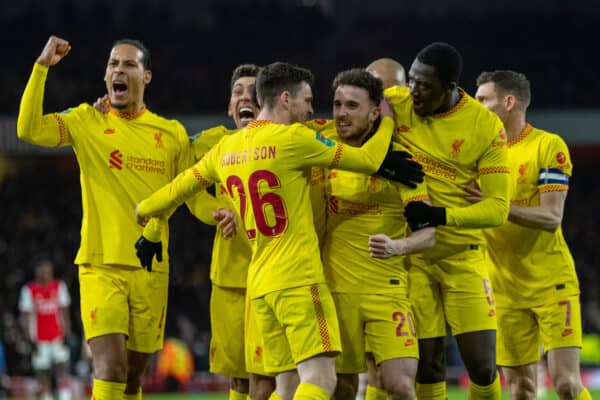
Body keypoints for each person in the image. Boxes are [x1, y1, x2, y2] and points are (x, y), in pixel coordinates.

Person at [135, 61, 424, 400]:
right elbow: (369, 161)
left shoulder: (226, 149)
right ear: (286, 99)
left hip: (259, 285)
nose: (310, 109)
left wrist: (146, 214)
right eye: (306, 100)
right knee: (321, 379)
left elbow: (176, 190)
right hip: (299, 279)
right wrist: (387, 121)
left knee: (285, 387)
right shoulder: (293, 139)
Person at [17, 35, 192, 400]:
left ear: (146, 77)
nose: (119, 70)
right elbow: (28, 130)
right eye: (113, 64)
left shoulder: (172, 134)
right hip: (100, 266)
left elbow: (189, 196)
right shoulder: (87, 121)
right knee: (109, 368)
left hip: (150, 268)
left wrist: (223, 214)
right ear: (105, 76)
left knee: (131, 378)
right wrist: (41, 69)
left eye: (129, 64)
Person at [385, 42, 510, 400]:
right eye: (411, 80)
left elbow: (497, 209)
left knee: (483, 367)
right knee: (428, 364)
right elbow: (352, 110)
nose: (413, 91)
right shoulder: (397, 102)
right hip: (415, 257)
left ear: (450, 86)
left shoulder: (484, 126)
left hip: (462, 255)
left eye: (424, 84)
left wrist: (438, 215)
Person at [318, 68, 435, 400]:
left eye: (352, 106)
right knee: (342, 388)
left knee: (400, 385)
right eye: (337, 104)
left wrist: (399, 246)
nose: (341, 113)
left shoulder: (403, 163)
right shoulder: (321, 145)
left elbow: (428, 233)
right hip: (336, 291)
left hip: (388, 292)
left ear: (375, 112)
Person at [474, 70, 591, 400]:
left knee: (566, 384)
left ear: (508, 102)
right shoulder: (478, 155)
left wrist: (497, 205)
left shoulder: (547, 145)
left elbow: (552, 217)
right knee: (521, 389)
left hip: (551, 284)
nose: (475, 106)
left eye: (483, 99)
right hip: (503, 289)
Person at [188, 64, 277, 400]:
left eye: (253, 92)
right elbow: (184, 181)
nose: (245, 98)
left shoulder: (284, 142)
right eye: (238, 92)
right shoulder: (213, 143)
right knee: (239, 381)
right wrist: (215, 213)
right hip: (229, 279)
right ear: (229, 107)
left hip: (274, 275)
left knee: (270, 378)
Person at [18, 258, 72, 400]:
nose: (45, 273)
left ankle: (64, 394)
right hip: (38, 339)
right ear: (36, 272)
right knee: (43, 371)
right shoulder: (28, 290)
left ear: (52, 271)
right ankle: (46, 395)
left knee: (62, 366)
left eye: (47, 270)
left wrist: (67, 334)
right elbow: (25, 317)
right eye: (42, 270)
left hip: (58, 336)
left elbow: (65, 312)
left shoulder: (59, 286)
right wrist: (28, 339)